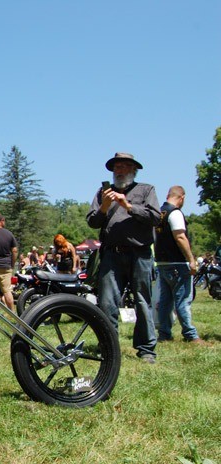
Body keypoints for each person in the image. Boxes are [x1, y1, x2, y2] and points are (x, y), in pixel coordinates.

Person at [86, 152, 161, 363]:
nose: (119, 170)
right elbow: (92, 222)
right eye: (116, 167)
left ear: (133, 170)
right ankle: (109, 346)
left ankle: (146, 349)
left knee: (142, 302)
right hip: (111, 255)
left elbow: (155, 217)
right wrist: (104, 206)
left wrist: (128, 206)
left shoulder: (146, 190)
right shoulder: (103, 192)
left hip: (140, 254)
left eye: (124, 166)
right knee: (107, 303)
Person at [155, 186, 206, 345]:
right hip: (178, 263)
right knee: (183, 299)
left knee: (165, 301)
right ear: (182, 197)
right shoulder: (175, 213)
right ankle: (191, 335)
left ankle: (164, 333)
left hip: (162, 263)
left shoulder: (159, 213)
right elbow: (180, 237)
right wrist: (191, 259)